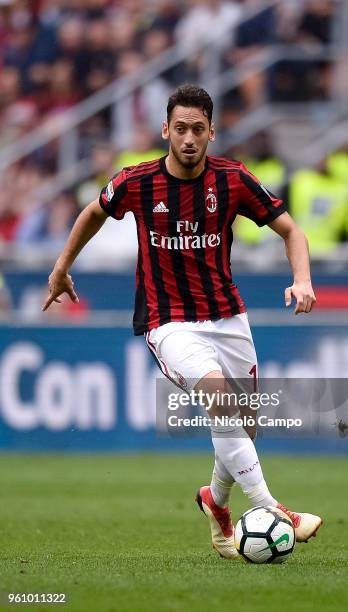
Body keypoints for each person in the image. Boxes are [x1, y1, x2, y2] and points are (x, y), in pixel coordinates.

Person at [43, 84, 322, 560]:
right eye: (180, 129)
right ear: (165, 131)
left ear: (212, 132)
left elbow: (291, 229)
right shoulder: (138, 181)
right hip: (167, 320)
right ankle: (276, 511)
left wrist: (302, 279)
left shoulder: (233, 180)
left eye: (197, 129)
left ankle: (216, 500)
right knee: (219, 400)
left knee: (245, 426)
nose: (188, 138)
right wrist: (61, 266)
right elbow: (93, 212)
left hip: (228, 315)